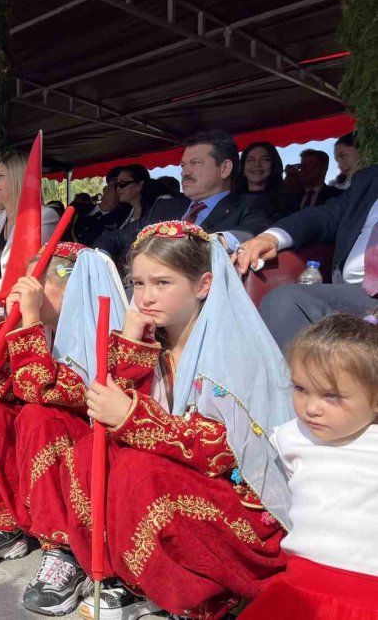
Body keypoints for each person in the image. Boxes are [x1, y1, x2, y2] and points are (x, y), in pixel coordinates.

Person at [58, 221, 292, 619]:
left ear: (203, 285)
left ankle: (193, 596)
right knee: (87, 451)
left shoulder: (232, 349)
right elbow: (112, 408)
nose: (146, 297)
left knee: (138, 467)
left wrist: (132, 417)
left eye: (162, 283)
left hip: (239, 504)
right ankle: (129, 578)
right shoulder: (156, 340)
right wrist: (131, 339)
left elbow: (223, 451)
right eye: (139, 283)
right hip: (176, 476)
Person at [0, 242, 127, 617]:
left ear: (68, 290)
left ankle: (65, 549)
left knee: (37, 416)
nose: (23, 290)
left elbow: (40, 388)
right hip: (46, 444)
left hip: (93, 448)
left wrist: (29, 321)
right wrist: (16, 324)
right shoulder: (39, 329)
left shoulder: (106, 332)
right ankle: (3, 520)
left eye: (35, 284)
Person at [240, 311, 378, 619]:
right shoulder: (290, 436)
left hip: (367, 598)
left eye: (332, 396)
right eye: (300, 389)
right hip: (299, 591)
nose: (311, 408)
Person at [236, 164, 377, 349]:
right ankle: (301, 378)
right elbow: (324, 216)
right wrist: (271, 238)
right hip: (356, 291)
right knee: (284, 302)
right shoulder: (369, 178)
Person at [94, 130, 271, 263]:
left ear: (224, 168)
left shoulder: (249, 206)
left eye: (195, 163)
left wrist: (213, 242)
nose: (185, 172)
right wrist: (102, 259)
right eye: (183, 165)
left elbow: (253, 232)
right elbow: (114, 237)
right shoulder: (165, 208)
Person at [0, 151, 60, 297]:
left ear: (19, 179)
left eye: (1, 176)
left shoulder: (44, 217)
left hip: (23, 304)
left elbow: (30, 269)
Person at [235, 141, 294, 220]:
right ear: (242, 167)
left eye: (265, 159)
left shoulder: (287, 203)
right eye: (251, 160)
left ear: (273, 165)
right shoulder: (232, 203)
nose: (257, 165)